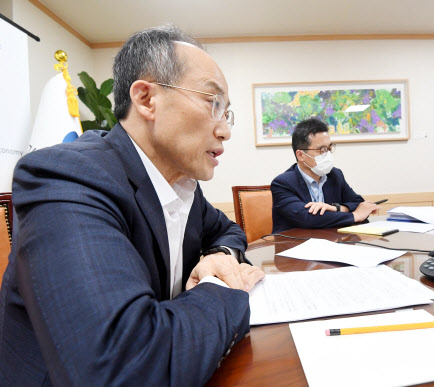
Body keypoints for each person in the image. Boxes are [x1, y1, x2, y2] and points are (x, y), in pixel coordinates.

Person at [0, 25, 264, 386]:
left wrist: (219, 254)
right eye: (212, 102)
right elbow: (123, 367)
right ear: (146, 99)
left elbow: (228, 230)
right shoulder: (67, 176)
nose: (225, 131)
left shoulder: (183, 185)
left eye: (226, 113)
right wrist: (223, 289)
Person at [271, 118, 379, 233]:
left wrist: (335, 208)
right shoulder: (283, 183)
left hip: (331, 242)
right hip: (294, 245)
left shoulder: (335, 175)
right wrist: (355, 216)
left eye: (329, 148)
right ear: (301, 155)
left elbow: (358, 203)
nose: (327, 154)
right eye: (322, 150)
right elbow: (307, 218)